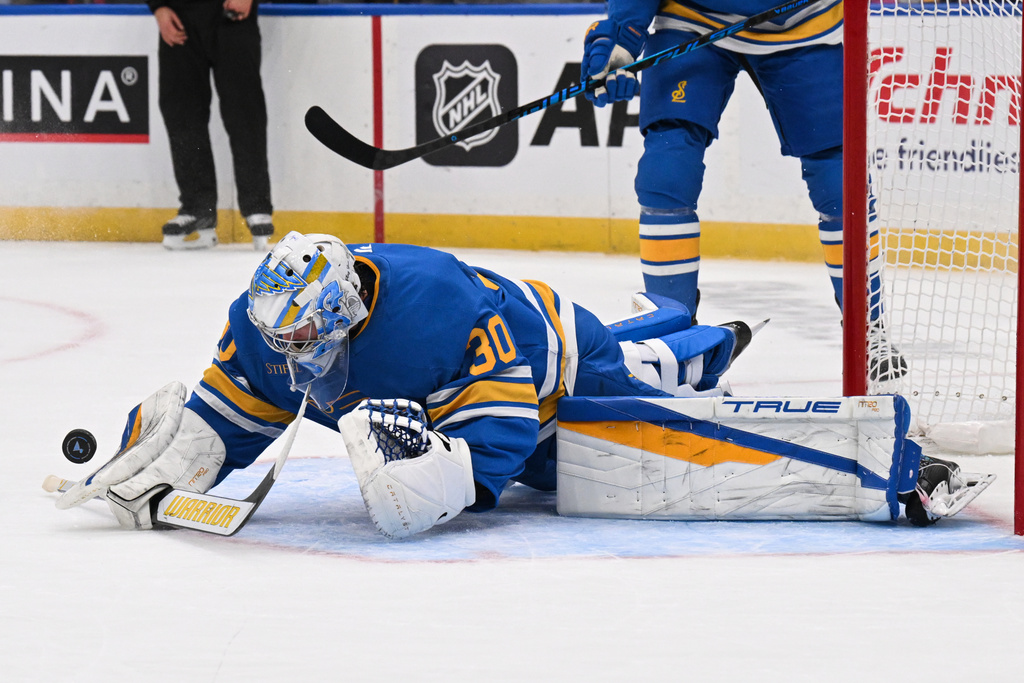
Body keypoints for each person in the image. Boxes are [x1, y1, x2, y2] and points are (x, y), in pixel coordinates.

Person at [54, 233, 988, 539]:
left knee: (647, 411)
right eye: (282, 340)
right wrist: (185, 456)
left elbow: (501, 450)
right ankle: (693, 340)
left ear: (344, 313)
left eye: (309, 343)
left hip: (558, 358)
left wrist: (440, 477)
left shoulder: (444, 314)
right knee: (647, 369)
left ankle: (721, 356)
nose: (294, 359)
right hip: (477, 376)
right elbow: (237, 403)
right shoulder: (277, 315)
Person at [580, 0, 907, 381]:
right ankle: (671, 333)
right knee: (666, 174)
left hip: (808, 21)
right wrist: (622, 35)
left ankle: (868, 328)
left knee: (840, 187)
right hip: (694, 18)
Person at [150, 0, 274, 251]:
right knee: (182, 113)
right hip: (178, 17)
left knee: (244, 112)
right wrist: (158, 7)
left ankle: (257, 207)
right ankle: (198, 209)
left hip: (231, 18)